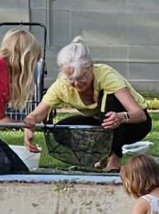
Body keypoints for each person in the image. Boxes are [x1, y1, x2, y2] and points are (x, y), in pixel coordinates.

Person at [21, 40, 151, 161]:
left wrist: (121, 117)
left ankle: (114, 160)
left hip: (133, 124)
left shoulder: (106, 75)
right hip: (102, 124)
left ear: (91, 67)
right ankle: (98, 157)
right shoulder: (61, 85)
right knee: (62, 129)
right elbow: (37, 114)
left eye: (82, 77)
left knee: (109, 100)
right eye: (71, 79)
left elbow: (140, 115)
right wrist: (29, 126)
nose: (77, 83)